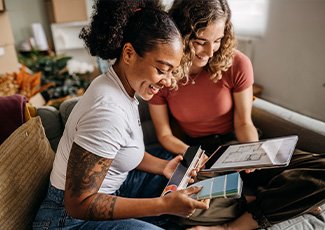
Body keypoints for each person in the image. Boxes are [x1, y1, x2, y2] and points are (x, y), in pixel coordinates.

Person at [148, 0, 325, 229]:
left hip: (238, 145)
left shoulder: (237, 63)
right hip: (201, 155)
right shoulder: (163, 74)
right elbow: (164, 134)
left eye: (218, 40)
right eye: (201, 41)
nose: (211, 51)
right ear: (179, 34)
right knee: (182, 210)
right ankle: (279, 199)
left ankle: (236, 220)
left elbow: (243, 122)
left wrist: (253, 153)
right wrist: (194, 155)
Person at [33, 1, 210, 229]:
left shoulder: (121, 87)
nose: (167, 81)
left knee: (175, 171)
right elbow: (78, 204)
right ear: (128, 53)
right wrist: (162, 205)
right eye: (161, 69)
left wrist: (163, 167)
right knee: (170, 208)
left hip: (111, 189)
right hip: (67, 221)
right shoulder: (107, 111)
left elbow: (120, 150)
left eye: (171, 71)